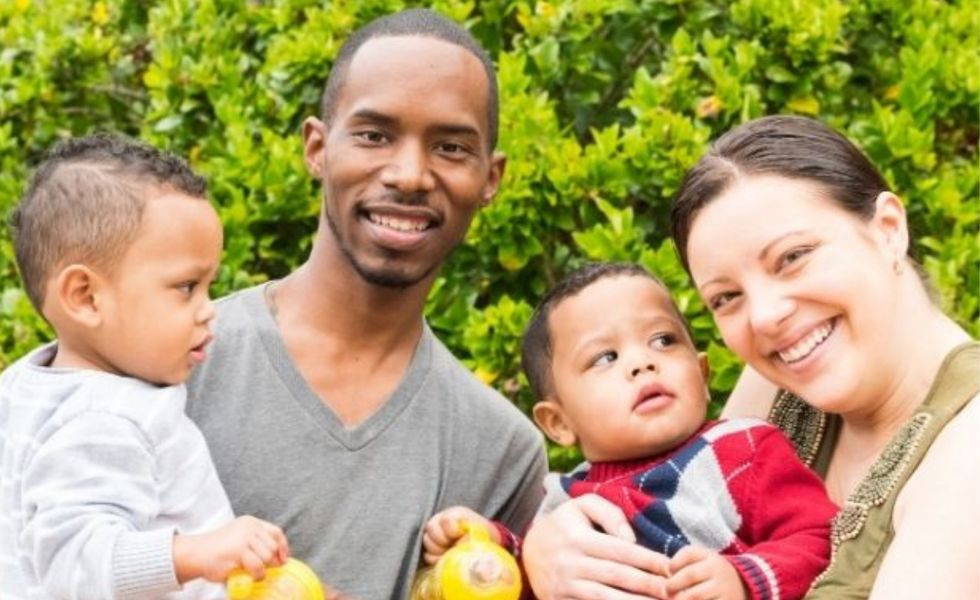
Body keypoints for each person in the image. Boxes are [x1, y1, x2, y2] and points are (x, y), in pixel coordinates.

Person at [521, 115, 979, 599]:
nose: (764, 316)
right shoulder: (791, 375)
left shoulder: (969, 444)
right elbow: (678, 515)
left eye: (792, 257)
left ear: (887, 228)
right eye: (726, 297)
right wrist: (546, 550)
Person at [185, 8, 547, 599]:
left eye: (451, 147)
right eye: (375, 135)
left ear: (490, 177)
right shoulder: (176, 363)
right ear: (317, 148)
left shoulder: (501, 450)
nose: (409, 175)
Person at [423, 262, 837, 600]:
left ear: (703, 372)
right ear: (559, 423)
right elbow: (537, 582)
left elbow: (821, 536)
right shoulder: (566, 501)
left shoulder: (741, 452)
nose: (642, 362)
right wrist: (489, 547)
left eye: (662, 340)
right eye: (605, 357)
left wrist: (744, 581)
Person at [0, 135, 290, 599]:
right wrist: (197, 553)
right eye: (185, 287)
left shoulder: (24, 386)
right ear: (85, 297)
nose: (208, 309)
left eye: (208, 287)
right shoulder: (105, 418)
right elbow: (72, 561)